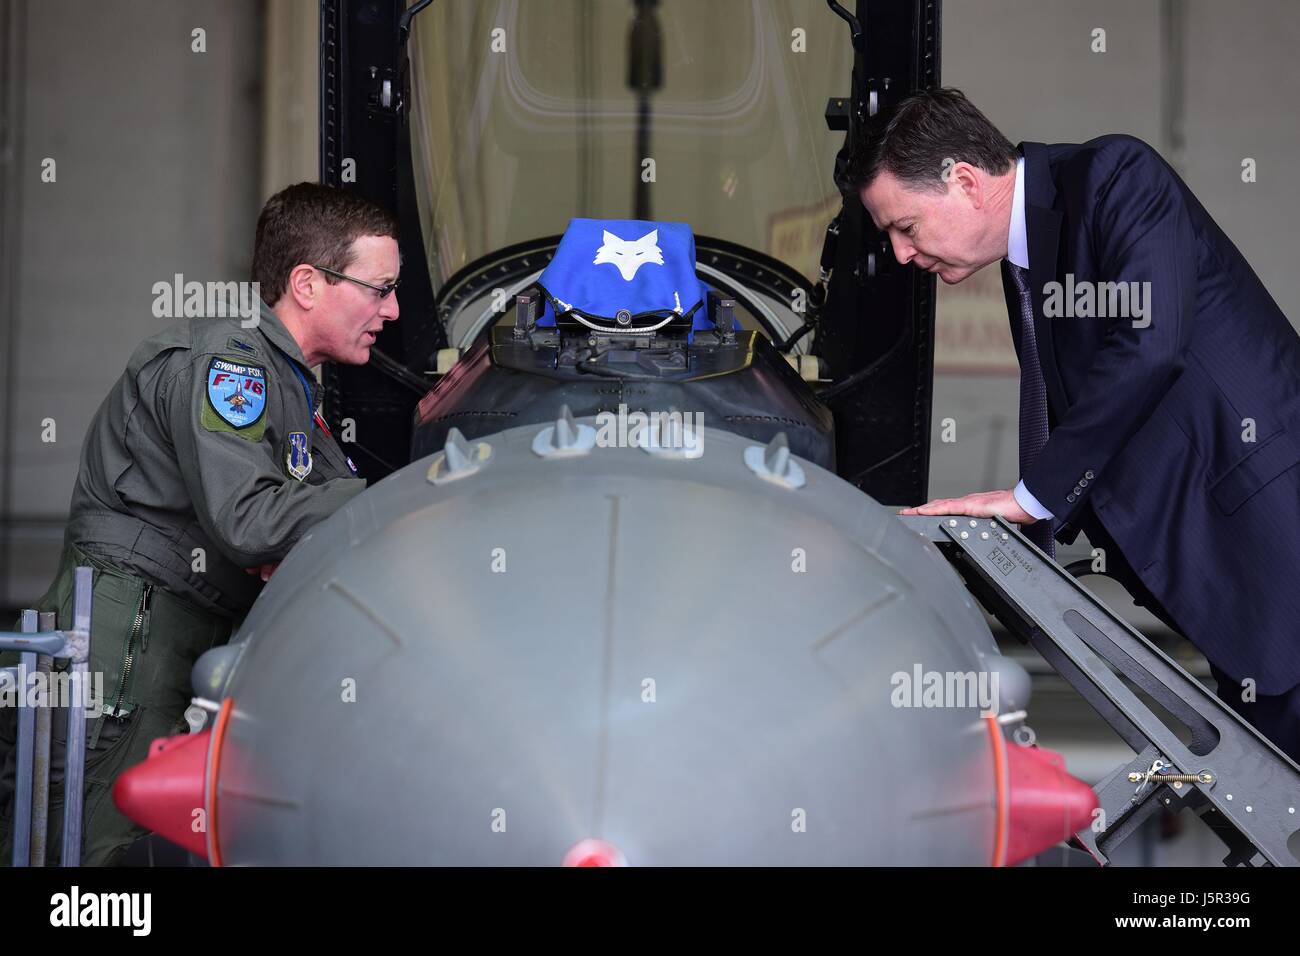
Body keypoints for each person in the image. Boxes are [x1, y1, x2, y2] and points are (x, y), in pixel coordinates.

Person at [840, 88, 1300, 762]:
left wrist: (1028, 500)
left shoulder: (1118, 178)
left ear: (964, 181)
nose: (903, 255)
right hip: (1235, 593)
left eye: (905, 227)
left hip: (1274, 546)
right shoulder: (1028, 259)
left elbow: (1151, 345)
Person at [0, 182, 400, 865]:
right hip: (133, 633)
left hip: (187, 629)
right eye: (379, 288)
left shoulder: (292, 388)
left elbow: (322, 508)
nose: (392, 311)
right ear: (307, 284)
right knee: (98, 844)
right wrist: (397, 496)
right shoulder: (231, 363)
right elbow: (250, 520)